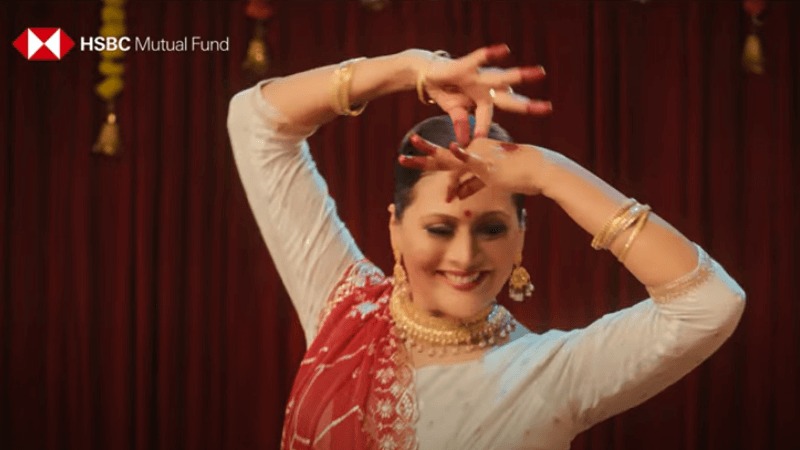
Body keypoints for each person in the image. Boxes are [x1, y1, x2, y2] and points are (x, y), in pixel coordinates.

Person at [226, 45, 745, 450]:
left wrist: (549, 172)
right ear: (395, 229)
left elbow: (709, 304)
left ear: (521, 236)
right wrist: (412, 68)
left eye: (492, 229)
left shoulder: (548, 374)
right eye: (439, 229)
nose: (464, 256)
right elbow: (255, 121)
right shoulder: (344, 308)